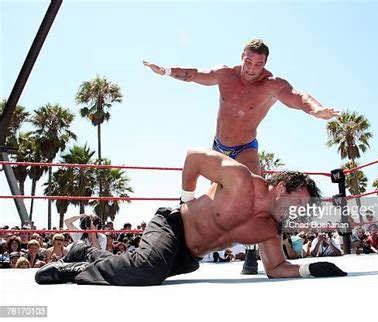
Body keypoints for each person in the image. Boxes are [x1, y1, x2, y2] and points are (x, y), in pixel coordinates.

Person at [143, 39, 339, 274]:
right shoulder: (225, 75)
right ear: (241, 57)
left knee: (256, 196)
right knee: (216, 201)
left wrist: (315, 110)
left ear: (265, 64)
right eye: (248, 61)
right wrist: (165, 71)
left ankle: (251, 255)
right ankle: (183, 218)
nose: (252, 69)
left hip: (245, 148)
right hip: (219, 146)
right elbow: (195, 74)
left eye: (258, 64)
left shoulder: (271, 85)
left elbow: (297, 97)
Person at [35, 149, 347, 285]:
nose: (296, 213)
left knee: (142, 269)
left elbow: (276, 267)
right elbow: (194, 157)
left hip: (188, 257)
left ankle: (87, 251)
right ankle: (75, 268)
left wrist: (309, 269)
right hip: (172, 224)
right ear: (281, 188)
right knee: (146, 270)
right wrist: (185, 198)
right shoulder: (240, 179)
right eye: (296, 202)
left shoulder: (269, 228)